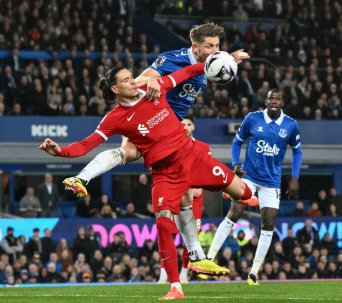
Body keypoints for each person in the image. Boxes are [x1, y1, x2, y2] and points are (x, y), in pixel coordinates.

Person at [39, 63, 258, 299]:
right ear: (115, 89)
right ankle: (175, 286)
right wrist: (60, 150)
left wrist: (207, 65)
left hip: (192, 157)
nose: (133, 81)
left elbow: (184, 73)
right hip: (165, 173)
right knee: (163, 223)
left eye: (132, 77)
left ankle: (231, 193)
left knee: (246, 193)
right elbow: (86, 144)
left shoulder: (155, 88)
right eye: (126, 80)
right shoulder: (114, 119)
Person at [61, 23, 249, 279]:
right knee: (125, 154)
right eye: (210, 46)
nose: (215, 50)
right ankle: (82, 178)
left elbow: (204, 67)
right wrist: (151, 82)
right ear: (196, 47)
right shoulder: (173, 60)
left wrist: (230, 59)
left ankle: (195, 256)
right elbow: (138, 80)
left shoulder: (210, 62)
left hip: (169, 127)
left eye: (218, 46)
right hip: (150, 119)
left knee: (185, 196)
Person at [206, 89, 302, 286]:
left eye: (277, 98)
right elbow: (236, 142)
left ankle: (254, 273)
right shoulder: (253, 118)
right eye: (270, 98)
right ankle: (208, 259)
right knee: (235, 211)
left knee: (268, 222)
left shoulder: (291, 124)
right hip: (248, 176)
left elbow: (298, 152)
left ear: (282, 102)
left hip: (272, 182)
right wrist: (235, 165)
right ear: (265, 101)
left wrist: (295, 177)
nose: (274, 101)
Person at [157, 115, 211, 284]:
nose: (186, 127)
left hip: (194, 197)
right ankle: (164, 274)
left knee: (191, 236)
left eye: (189, 124)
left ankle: (183, 274)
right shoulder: (169, 145)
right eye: (183, 124)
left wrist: (199, 186)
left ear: (193, 127)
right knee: (167, 233)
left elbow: (207, 170)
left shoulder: (203, 147)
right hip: (174, 194)